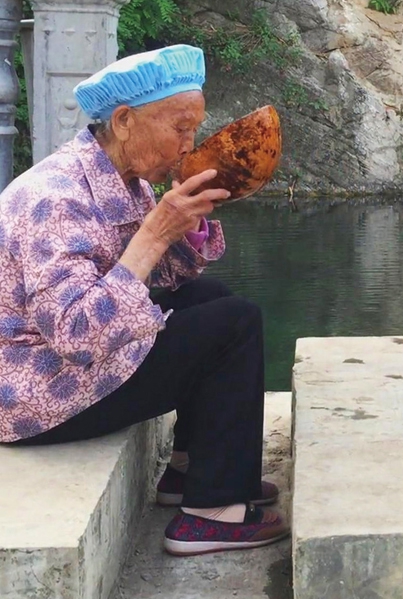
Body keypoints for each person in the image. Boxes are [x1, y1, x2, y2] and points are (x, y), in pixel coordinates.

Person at [0, 45, 288, 556]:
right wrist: (154, 232)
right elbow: (75, 336)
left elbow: (162, 278)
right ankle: (212, 513)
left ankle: (191, 470)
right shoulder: (55, 198)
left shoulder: (121, 178)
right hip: (32, 392)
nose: (189, 144)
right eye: (180, 128)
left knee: (209, 297)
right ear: (124, 121)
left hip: (61, 364)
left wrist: (186, 224)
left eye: (195, 129)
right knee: (235, 324)